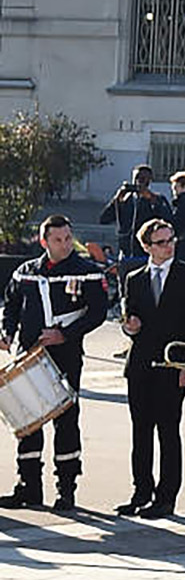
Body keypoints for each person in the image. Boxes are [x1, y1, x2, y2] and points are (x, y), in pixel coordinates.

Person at [0, 215, 109, 511]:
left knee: (66, 420)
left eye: (67, 238)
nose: (64, 245)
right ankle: (29, 487)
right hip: (28, 354)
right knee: (27, 421)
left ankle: (66, 490)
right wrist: (7, 332)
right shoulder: (26, 272)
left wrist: (65, 335)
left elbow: (97, 312)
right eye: (58, 240)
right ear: (43, 241)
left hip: (65, 355)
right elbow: (10, 304)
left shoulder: (86, 271)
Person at [118, 219, 185, 519]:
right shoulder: (135, 278)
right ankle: (141, 491)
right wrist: (130, 327)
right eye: (161, 242)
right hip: (141, 366)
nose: (168, 246)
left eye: (171, 240)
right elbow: (129, 316)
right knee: (140, 432)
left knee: (168, 431)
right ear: (146, 247)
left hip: (173, 366)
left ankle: (166, 497)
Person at [98, 164, 172, 267]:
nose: (139, 182)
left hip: (147, 255)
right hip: (126, 254)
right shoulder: (126, 200)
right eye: (137, 178)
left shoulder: (157, 199)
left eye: (143, 179)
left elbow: (169, 222)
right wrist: (117, 200)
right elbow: (104, 219)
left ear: (149, 181)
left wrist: (153, 202)